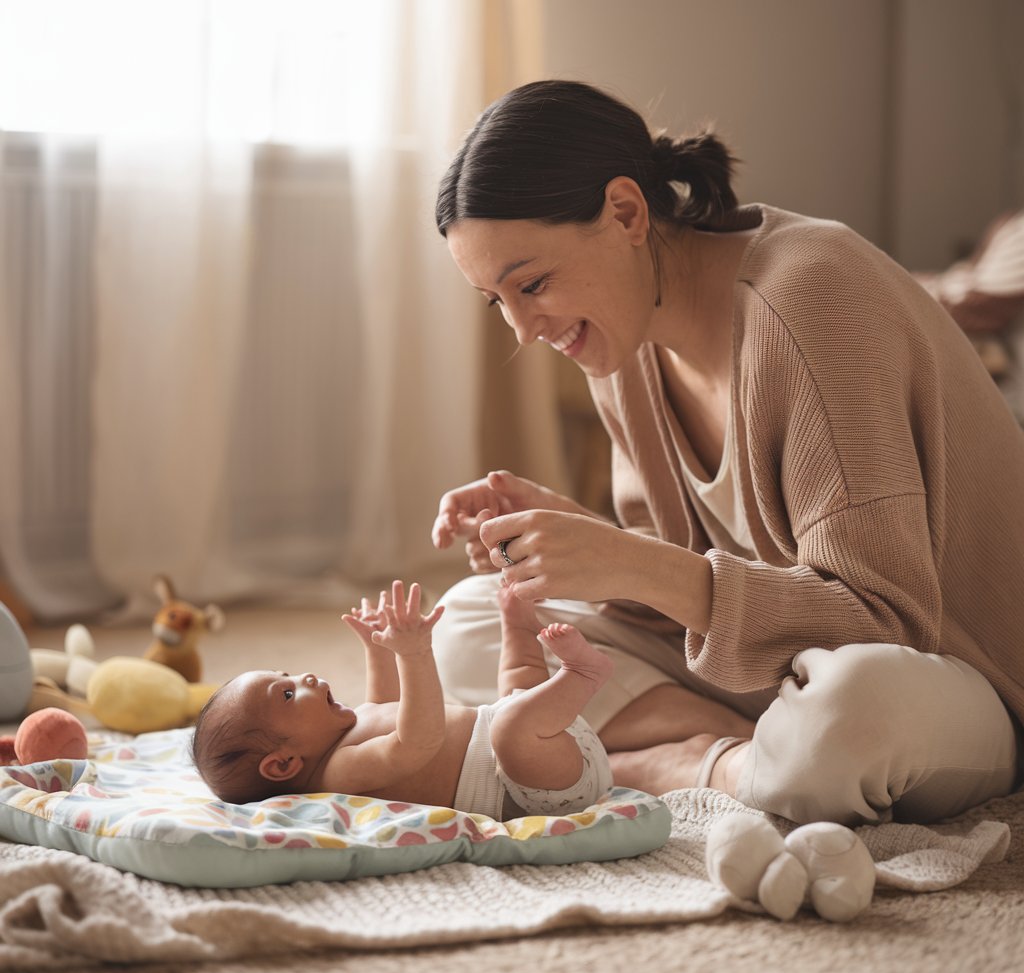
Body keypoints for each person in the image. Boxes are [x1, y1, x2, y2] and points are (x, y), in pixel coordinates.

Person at [428, 78, 1024, 827]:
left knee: (853, 714)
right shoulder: (622, 338)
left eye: (533, 284)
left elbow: (887, 620)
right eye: (498, 300)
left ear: (625, 212)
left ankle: (657, 763)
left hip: (954, 677)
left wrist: (632, 563)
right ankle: (739, 758)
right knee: (469, 620)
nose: (523, 329)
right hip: (772, 674)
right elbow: (683, 584)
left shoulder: (812, 295)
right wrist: (582, 542)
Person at [191, 580, 613, 817]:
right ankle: (583, 674)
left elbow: (385, 703)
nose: (304, 677)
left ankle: (517, 624)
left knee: (516, 690)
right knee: (512, 725)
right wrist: (414, 653)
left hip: (533, 745)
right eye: (287, 693)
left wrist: (379, 648)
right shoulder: (337, 774)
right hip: (537, 790)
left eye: (288, 675)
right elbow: (417, 739)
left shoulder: (344, 733)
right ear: (284, 764)